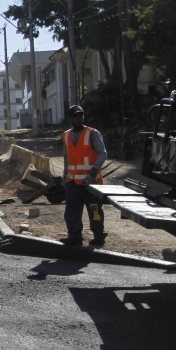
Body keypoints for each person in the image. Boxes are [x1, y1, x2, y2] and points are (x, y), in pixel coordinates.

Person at [60, 105, 108, 247]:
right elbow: (66, 156)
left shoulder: (93, 133)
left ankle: (99, 237)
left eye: (80, 115)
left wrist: (94, 168)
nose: (78, 118)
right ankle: (74, 237)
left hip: (91, 183)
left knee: (95, 211)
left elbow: (103, 153)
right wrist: (65, 175)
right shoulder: (66, 135)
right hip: (73, 182)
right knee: (72, 212)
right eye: (75, 116)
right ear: (70, 118)